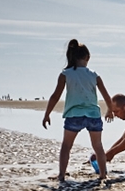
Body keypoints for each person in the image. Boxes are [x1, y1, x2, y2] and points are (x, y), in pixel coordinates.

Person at [42, 39, 114, 182]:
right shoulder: (94, 75)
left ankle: (61, 175)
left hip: (74, 115)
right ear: (87, 57)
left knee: (66, 146)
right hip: (93, 115)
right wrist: (109, 110)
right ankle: (103, 175)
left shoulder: (66, 74)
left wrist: (47, 114)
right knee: (98, 146)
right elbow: (106, 95)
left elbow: (55, 96)